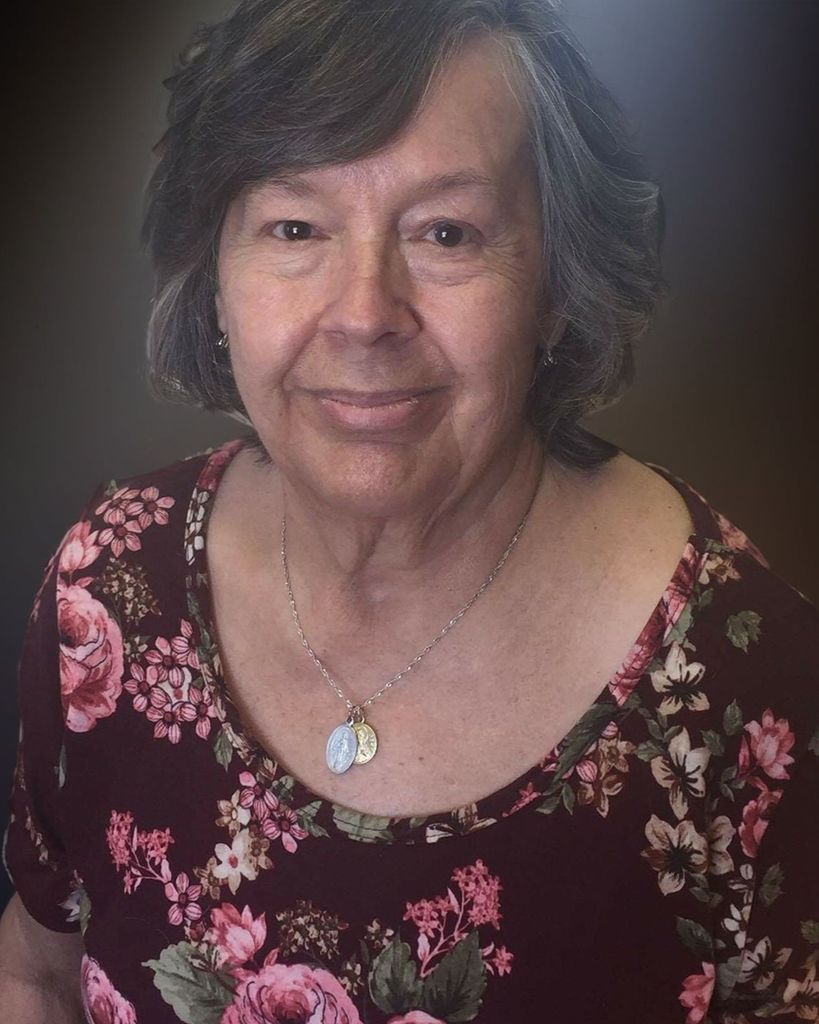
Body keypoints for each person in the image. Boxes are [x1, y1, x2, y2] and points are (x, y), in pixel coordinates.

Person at [2, 0, 817, 1020]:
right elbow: (36, 970)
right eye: (294, 227)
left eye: (445, 232)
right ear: (214, 279)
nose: (363, 314)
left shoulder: (750, 681)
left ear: (556, 284)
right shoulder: (112, 587)